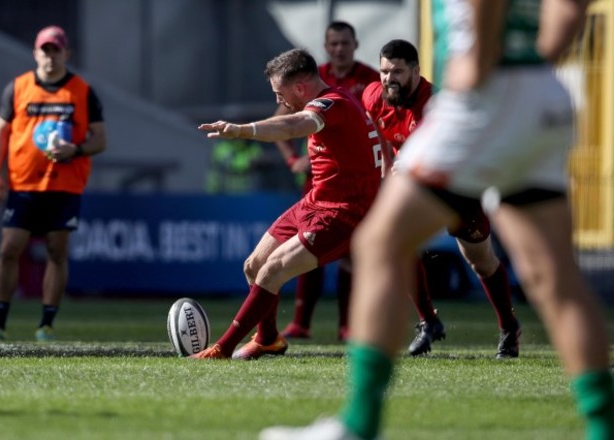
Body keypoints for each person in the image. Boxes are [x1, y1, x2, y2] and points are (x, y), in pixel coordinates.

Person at [259, 1, 614, 439]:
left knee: (379, 243)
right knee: (555, 277)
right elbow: (569, 10)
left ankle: (358, 425)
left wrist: (480, 64)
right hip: (543, 95)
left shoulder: (429, 95)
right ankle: (603, 426)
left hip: (482, 98)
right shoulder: (374, 95)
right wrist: (531, 69)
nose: (387, 78)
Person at [192, 47, 383, 360]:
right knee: (253, 266)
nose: (278, 101)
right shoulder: (336, 100)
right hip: (316, 201)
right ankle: (268, 338)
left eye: (279, 93)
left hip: (343, 213)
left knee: (272, 272)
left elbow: (292, 126)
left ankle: (221, 349)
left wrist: (241, 130)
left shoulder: (330, 104)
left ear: (300, 87)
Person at [361, 39, 520, 358]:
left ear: (416, 71)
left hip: (459, 185)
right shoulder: (373, 96)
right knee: (392, 242)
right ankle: (428, 322)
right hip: (419, 188)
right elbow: (382, 137)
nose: (388, 78)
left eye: (397, 71)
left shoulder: (436, 104)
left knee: (481, 262)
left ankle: (508, 328)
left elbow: (440, 155)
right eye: (384, 71)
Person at [0, 25, 107, 342]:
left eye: (55, 50)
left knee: (56, 251)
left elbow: (100, 139)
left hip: (64, 187)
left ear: (66, 54)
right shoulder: (18, 88)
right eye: (44, 50)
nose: (50, 56)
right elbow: (0, 133)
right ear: (35, 53)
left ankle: (46, 324)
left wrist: (75, 149)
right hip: (23, 185)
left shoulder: (81, 91)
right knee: (9, 249)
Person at [275, 21, 380, 341]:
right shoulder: (310, 78)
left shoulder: (370, 80)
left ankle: (347, 325)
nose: (339, 49)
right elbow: (282, 121)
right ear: (326, 46)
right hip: (320, 180)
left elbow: (377, 124)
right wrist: (293, 159)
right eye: (333, 43)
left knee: (352, 253)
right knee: (307, 248)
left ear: (355, 44)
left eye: (344, 43)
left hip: (357, 183)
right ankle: (300, 322)